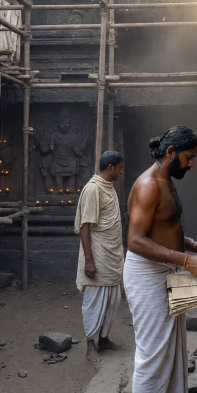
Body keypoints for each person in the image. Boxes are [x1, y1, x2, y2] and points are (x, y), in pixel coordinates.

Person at [125, 126, 197, 393]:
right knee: (152, 354)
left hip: (163, 270)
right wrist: (184, 260)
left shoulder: (165, 180)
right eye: (189, 158)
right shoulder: (149, 184)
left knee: (168, 350)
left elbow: (163, 227)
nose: (191, 165)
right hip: (147, 275)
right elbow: (135, 240)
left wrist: (191, 245)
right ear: (172, 152)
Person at [76, 150, 127, 363]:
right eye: (120, 168)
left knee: (112, 301)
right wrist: (89, 260)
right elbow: (85, 226)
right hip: (97, 256)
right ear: (111, 167)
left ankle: (104, 339)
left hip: (112, 256)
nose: (121, 172)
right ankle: (90, 345)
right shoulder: (93, 190)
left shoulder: (109, 188)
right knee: (94, 301)